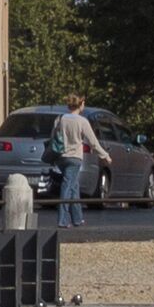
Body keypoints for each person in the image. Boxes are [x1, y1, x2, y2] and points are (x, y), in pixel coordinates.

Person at [51, 94, 106, 229]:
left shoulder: (60, 119)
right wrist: (105, 155)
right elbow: (93, 142)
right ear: (80, 105)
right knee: (67, 186)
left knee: (73, 186)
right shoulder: (82, 121)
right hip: (74, 158)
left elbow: (53, 136)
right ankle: (62, 220)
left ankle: (77, 218)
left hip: (61, 157)